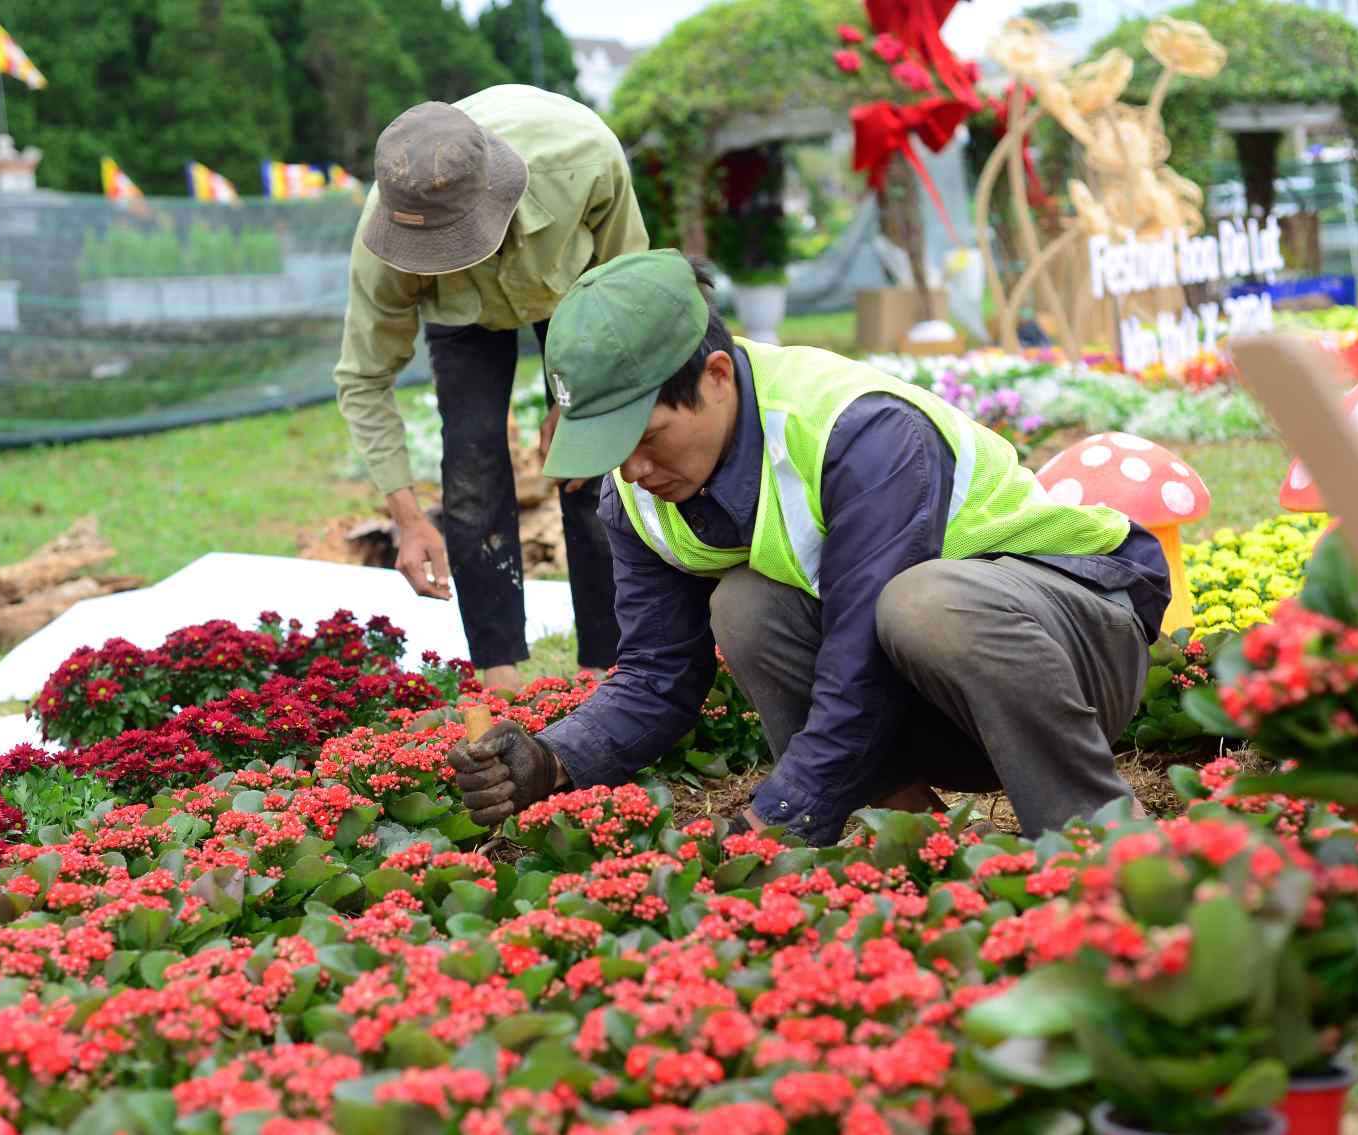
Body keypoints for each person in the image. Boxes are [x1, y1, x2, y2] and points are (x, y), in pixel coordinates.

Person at [446, 249, 1175, 844]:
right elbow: (656, 676)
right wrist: (549, 759)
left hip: (1080, 641)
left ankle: (1102, 836)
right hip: (939, 701)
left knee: (922, 601)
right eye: (609, 448)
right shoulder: (635, 492)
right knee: (747, 605)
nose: (632, 468)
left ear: (717, 378)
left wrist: (775, 818)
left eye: (644, 437)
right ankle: (898, 824)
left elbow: (858, 661)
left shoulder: (857, 432)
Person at [333, 85, 648, 692]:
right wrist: (407, 517)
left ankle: (608, 671)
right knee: (471, 463)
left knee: (590, 473)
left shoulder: (585, 160)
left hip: (577, 294)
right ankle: (498, 677)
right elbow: (364, 375)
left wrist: (582, 400)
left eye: (455, 242)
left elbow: (629, 292)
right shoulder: (390, 229)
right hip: (463, 317)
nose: (446, 252)